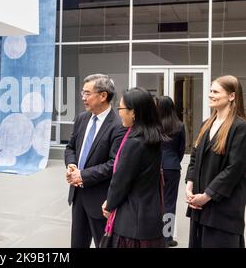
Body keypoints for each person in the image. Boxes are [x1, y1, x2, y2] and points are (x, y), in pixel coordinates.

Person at [65, 74, 126, 248]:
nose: (83, 97)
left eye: (87, 93)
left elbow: (114, 163)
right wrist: (71, 165)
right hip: (78, 196)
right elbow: (70, 148)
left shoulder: (118, 125)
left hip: (101, 201)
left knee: (104, 244)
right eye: (82, 93)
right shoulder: (82, 119)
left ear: (103, 96)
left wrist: (82, 175)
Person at [185, 75, 246, 248]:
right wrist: (189, 186)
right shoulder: (206, 124)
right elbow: (194, 158)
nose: (210, 95)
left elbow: (235, 168)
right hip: (199, 208)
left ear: (232, 96)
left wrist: (207, 195)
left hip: (223, 212)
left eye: (215, 91)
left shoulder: (240, 127)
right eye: (210, 91)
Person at [102, 87, 166, 248]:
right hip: (150, 215)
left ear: (134, 112)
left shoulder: (134, 142)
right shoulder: (153, 137)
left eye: (121, 109)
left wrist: (109, 204)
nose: (119, 113)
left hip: (131, 223)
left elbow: (121, 181)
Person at [155, 96, 186, 247]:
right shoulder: (179, 125)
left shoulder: (154, 125)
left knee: (155, 201)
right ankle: (167, 238)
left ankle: (154, 237)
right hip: (172, 168)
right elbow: (181, 149)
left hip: (155, 167)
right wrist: (173, 162)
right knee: (169, 203)